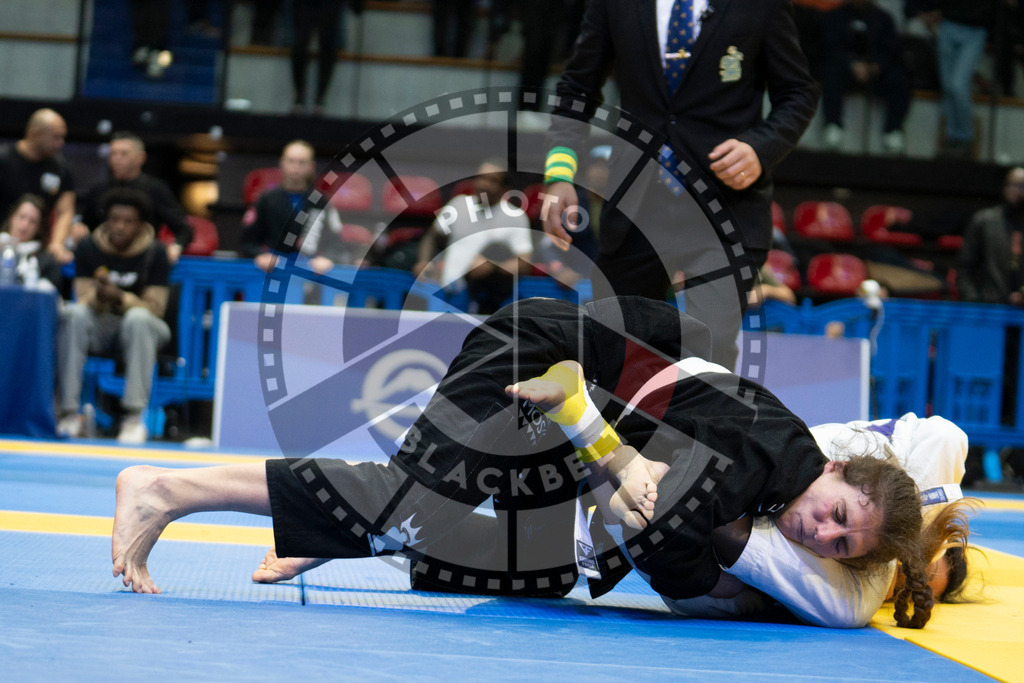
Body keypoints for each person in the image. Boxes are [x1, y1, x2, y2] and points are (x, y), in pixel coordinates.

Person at [111, 296, 933, 630]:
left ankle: (339, 529)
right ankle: (165, 487)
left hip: (574, 368)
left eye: (839, 545)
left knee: (538, 563)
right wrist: (729, 588)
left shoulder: (788, 454)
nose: (821, 534)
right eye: (836, 515)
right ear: (838, 469)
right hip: (533, 357)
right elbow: (667, 555)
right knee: (405, 501)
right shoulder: (761, 463)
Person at [541, 0, 819, 370]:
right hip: (637, 206)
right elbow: (577, 88)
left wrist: (760, 148)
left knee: (707, 351)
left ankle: (702, 406)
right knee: (614, 349)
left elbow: (798, 92)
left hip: (725, 209)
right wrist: (559, 173)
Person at [665, 412, 973, 628]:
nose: (907, 576)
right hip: (817, 470)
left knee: (849, 611)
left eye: (906, 591)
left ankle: (717, 523)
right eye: (925, 566)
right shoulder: (863, 475)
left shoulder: (844, 583)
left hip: (695, 538)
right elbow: (947, 436)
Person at [57, 188, 171, 444]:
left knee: (138, 319)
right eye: (115, 219)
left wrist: (121, 297)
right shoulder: (88, 247)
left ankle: (133, 418)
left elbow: (155, 308)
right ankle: (68, 413)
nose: (120, 227)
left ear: (140, 225)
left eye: (128, 221)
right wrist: (98, 297)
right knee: (73, 314)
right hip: (100, 325)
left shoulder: (155, 252)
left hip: (146, 329)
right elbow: (83, 298)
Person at [413, 159, 534, 314]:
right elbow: (432, 237)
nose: (483, 184)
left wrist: (493, 268)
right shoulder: (458, 204)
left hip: (487, 300)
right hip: (447, 293)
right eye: (481, 178)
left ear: (505, 188)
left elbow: (524, 264)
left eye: (492, 180)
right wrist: (424, 261)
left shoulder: (515, 217)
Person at [76, 132, 193, 265]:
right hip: (103, 261)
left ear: (141, 158)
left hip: (144, 262)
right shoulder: (99, 190)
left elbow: (184, 230)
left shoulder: (156, 189)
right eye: (113, 153)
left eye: (124, 154)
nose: (117, 158)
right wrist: (79, 230)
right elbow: (86, 225)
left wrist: (176, 247)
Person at [819, 0, 912, 155]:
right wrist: (851, 65)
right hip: (845, 69)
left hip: (875, 72)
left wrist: (877, 65)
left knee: (900, 79)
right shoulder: (835, 16)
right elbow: (830, 48)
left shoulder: (882, 18)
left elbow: (891, 50)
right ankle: (833, 126)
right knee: (830, 74)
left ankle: (893, 131)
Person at [239, 140, 345, 275]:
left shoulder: (321, 202)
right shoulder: (266, 199)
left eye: (302, 162)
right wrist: (259, 255)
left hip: (310, 271)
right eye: (291, 161)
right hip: (272, 270)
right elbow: (248, 241)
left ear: (311, 166)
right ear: (282, 163)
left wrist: (328, 259)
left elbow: (335, 242)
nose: (296, 167)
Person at [0, 108, 76, 264]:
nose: (61, 143)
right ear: (35, 133)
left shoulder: (60, 168)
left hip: (39, 250)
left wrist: (57, 243)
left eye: (62, 137)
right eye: (55, 137)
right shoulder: (4, 160)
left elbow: (65, 211)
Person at [956, 166, 1024, 305]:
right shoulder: (984, 221)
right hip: (989, 306)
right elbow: (964, 267)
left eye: (1020, 186)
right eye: (1010, 184)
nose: (1014, 189)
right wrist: (974, 300)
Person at [0, 194, 62, 291]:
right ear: (12, 217)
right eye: (22, 217)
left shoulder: (46, 262)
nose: (25, 225)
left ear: (39, 228)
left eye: (32, 221)